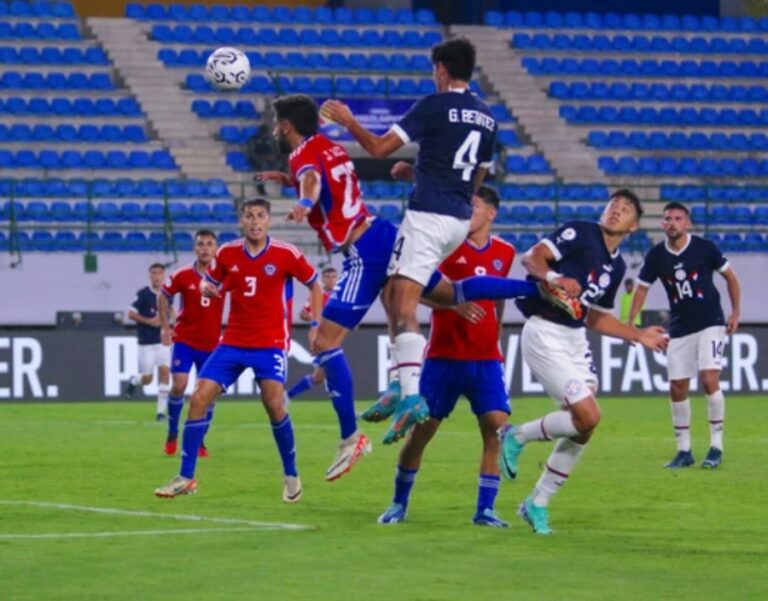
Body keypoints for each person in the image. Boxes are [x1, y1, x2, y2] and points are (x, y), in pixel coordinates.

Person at [321, 37, 499, 443]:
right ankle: (401, 384)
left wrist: (348, 120)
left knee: (403, 305)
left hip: (428, 217)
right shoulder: (487, 117)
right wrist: (420, 174)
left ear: (440, 69)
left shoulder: (433, 105)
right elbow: (475, 176)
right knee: (392, 289)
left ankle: (412, 397)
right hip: (455, 218)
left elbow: (380, 147)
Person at [498, 189, 669, 535]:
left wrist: (637, 335)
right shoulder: (580, 231)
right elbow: (532, 258)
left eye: (625, 209)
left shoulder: (617, 265)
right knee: (589, 414)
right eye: (613, 206)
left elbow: (595, 319)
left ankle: (537, 502)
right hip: (545, 332)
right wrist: (554, 278)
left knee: (585, 426)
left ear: (633, 226)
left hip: (575, 339)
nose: (616, 211)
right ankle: (515, 435)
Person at [154, 199, 324, 502]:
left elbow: (315, 283)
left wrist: (316, 322)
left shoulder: (286, 254)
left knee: (273, 404)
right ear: (241, 222)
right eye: (249, 216)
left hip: (269, 343)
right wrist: (208, 287)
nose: (255, 221)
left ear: (268, 221)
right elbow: (211, 281)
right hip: (232, 341)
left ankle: (291, 473)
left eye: (260, 216)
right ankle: (186, 477)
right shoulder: (227, 253)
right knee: (198, 397)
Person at [378, 186, 516, 526]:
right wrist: (453, 303)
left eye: (476, 205)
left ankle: (485, 509)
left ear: (492, 213)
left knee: (496, 431)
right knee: (421, 433)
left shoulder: (505, 252)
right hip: (444, 357)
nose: (469, 211)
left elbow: (497, 296)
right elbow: (412, 292)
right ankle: (399, 503)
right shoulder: (445, 248)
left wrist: (496, 334)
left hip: (486, 360)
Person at [627, 202, 740, 470]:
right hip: (679, 326)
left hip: (711, 321)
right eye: (667, 219)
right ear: (663, 223)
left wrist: (735, 312)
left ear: (687, 222)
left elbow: (731, 278)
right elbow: (641, 289)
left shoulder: (705, 248)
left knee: (708, 377)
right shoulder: (656, 256)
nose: (672, 223)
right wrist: (630, 325)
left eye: (677, 218)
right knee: (677, 386)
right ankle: (684, 451)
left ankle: (716, 446)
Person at [157, 230, 223, 457]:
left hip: (213, 343)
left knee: (209, 394)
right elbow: (164, 296)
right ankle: (173, 431)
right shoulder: (182, 275)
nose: (204, 248)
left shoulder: (224, 275)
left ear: (216, 249)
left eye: (209, 244)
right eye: (200, 244)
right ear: (195, 248)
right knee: (179, 385)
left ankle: (200, 440)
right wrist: (166, 327)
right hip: (185, 339)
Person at [124, 263, 172, 421]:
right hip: (146, 343)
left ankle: (160, 413)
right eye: (154, 273)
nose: (156, 276)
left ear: (163, 275)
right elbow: (130, 314)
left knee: (165, 373)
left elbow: (172, 313)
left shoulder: (167, 294)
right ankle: (134, 380)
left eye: (159, 273)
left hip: (163, 341)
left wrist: (171, 324)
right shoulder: (143, 294)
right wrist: (148, 321)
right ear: (149, 275)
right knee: (148, 378)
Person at [285, 267, 338, 404]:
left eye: (333, 276)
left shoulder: (340, 295)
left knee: (320, 376)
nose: (331, 279)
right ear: (323, 279)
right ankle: (346, 412)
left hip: (334, 340)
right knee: (330, 375)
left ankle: (287, 397)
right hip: (321, 339)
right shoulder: (318, 295)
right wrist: (318, 318)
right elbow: (303, 314)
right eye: (328, 277)